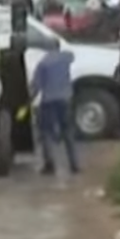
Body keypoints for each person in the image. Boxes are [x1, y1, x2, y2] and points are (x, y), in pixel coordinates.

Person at [29, 39, 79, 175]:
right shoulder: (66, 58)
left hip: (48, 101)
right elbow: (72, 55)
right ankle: (74, 165)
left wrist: (29, 101)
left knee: (46, 133)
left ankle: (50, 165)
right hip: (65, 99)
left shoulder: (43, 63)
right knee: (68, 132)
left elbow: (36, 86)